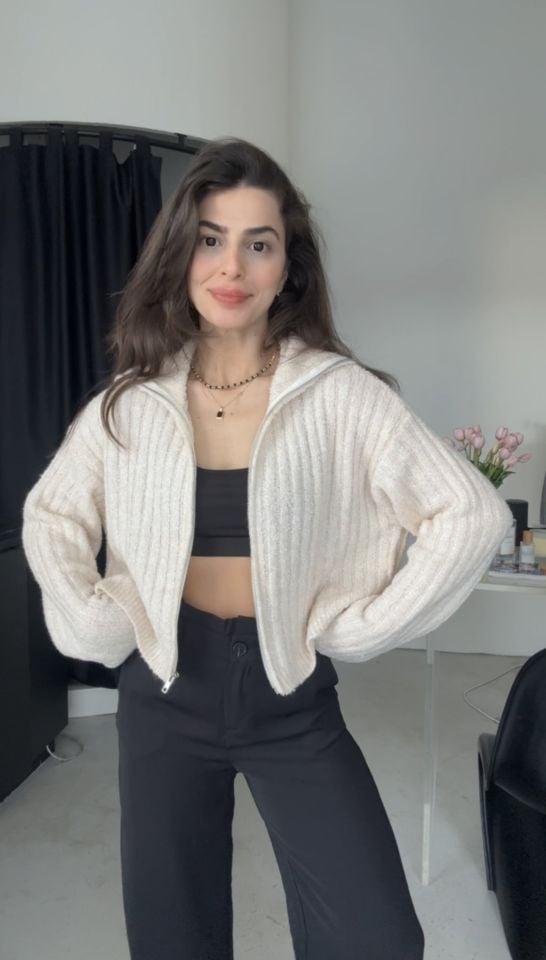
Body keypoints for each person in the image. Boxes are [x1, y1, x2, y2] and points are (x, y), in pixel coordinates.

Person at [22, 136, 512, 960]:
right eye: (211, 239)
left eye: (259, 244)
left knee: (376, 937)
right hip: (165, 693)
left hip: (290, 695)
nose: (232, 266)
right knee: (173, 938)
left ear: (288, 267)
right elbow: (52, 515)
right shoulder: (131, 402)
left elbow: (471, 514)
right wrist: (91, 622)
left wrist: (367, 627)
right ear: (181, 254)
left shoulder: (342, 395)